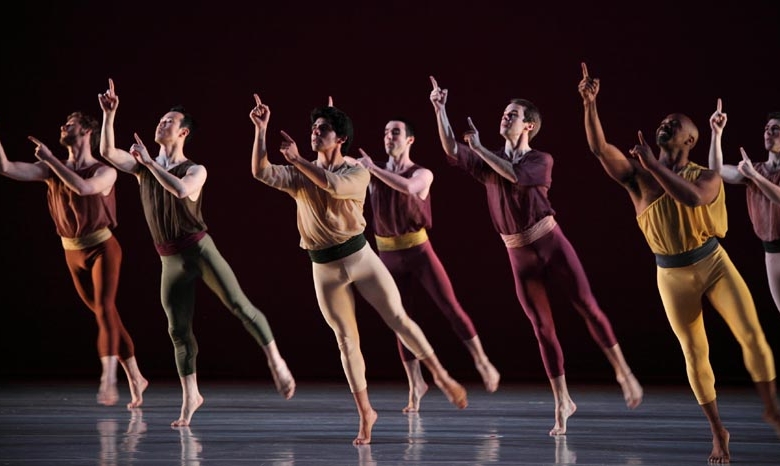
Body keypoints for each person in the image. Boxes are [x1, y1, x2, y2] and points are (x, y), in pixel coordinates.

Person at [578, 62, 780, 463]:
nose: (665, 125)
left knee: (752, 334)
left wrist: (654, 165)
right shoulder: (638, 177)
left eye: (674, 124)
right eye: (663, 122)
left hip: (713, 263)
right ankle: (718, 430)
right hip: (671, 274)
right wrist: (589, 104)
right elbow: (600, 148)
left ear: (690, 139)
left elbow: (691, 199)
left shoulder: (705, 176)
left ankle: (772, 409)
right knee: (694, 353)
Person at [248, 93, 468, 445]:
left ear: (341, 138)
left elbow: (333, 186)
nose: (315, 132)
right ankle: (366, 413)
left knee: (398, 318)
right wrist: (261, 130)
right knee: (347, 341)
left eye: (323, 128)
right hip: (323, 267)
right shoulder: (299, 173)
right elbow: (261, 172)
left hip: (360, 258)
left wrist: (298, 159)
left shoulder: (357, 171)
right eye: (313, 127)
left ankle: (440, 375)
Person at [429, 75, 643, 436]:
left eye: (512, 115)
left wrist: (479, 148)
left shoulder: (541, 159)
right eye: (504, 113)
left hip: (550, 243)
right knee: (542, 329)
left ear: (528, 125)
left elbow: (514, 176)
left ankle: (623, 371)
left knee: (588, 306)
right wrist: (440, 109)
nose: (504, 117)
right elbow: (452, 147)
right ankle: (562, 401)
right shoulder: (489, 159)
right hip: (518, 253)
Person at [97, 79, 295, 427]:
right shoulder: (142, 166)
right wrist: (109, 115)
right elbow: (107, 153)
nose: (161, 124)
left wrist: (150, 163)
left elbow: (179, 190)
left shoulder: (195, 169)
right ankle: (192, 395)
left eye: (169, 121)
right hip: (168, 259)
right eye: (160, 120)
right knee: (178, 330)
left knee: (240, 305)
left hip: (199, 250)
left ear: (183, 132)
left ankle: (276, 361)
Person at [349, 117, 500, 413]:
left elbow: (407, 188)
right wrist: (335, 128)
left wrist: (372, 169)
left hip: (418, 252)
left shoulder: (422, 173)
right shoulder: (370, 168)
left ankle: (482, 361)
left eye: (395, 132)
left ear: (409, 140)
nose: (388, 136)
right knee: (400, 320)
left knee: (451, 307)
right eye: (385, 132)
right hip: (387, 255)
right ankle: (416, 383)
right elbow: (338, 162)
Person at [0, 112, 148, 409]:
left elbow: (83, 188)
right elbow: (6, 167)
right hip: (72, 251)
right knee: (107, 315)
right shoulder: (51, 168)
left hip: (103, 248)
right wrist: (50, 162)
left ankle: (109, 378)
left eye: (70, 124)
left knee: (104, 310)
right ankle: (136, 376)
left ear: (87, 132)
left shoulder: (104, 171)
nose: (62, 126)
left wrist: (51, 160)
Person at [709, 99, 780, 314]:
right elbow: (717, 170)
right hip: (773, 250)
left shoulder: (753, 173)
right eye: (766, 129)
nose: (768, 133)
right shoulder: (753, 170)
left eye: (775, 129)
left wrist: (754, 176)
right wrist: (717, 134)